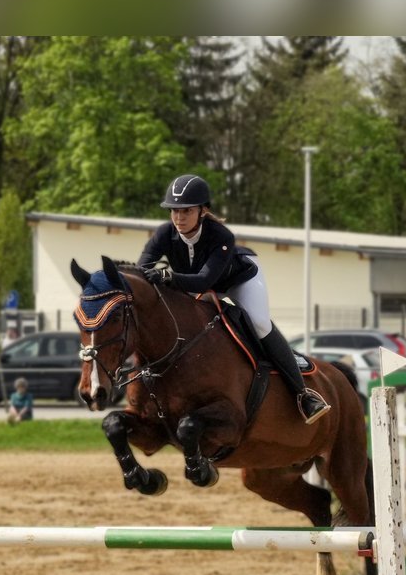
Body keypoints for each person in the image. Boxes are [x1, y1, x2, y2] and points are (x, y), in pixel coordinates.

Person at [137, 173, 330, 425]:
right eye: (174, 211)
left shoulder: (221, 235)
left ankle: (303, 395)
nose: (179, 218)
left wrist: (168, 276)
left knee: (259, 323)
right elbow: (142, 270)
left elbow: (204, 281)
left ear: (203, 210)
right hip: (196, 285)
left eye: (186, 211)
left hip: (239, 280)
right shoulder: (164, 233)